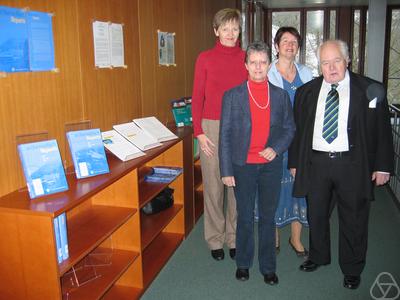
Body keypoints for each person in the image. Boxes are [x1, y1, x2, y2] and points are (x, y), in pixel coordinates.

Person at [288, 40, 394, 289]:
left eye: (336, 60)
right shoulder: (307, 92)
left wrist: (383, 166)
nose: (331, 67)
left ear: (348, 60)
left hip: (353, 164)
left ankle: (352, 267)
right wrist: (295, 162)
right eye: (325, 62)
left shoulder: (371, 89)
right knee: (316, 214)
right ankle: (318, 255)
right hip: (317, 163)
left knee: (354, 218)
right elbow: (298, 131)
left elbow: (382, 131)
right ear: (319, 65)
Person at [219, 41, 295, 284]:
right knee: (244, 216)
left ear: (269, 64)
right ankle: (243, 263)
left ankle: (268, 267)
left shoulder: (281, 96)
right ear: (246, 65)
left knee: (267, 216)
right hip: (243, 165)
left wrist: (276, 148)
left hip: (271, 166)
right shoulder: (232, 96)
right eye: (253, 62)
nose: (258, 67)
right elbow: (225, 135)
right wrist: (226, 170)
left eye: (263, 62)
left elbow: (289, 128)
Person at [192, 8, 247, 261]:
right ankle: (215, 239)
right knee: (214, 185)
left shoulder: (247, 58)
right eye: (225, 28)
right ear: (216, 31)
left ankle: (234, 237)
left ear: (239, 31)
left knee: (236, 184)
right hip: (211, 126)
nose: (230, 33)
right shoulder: (204, 58)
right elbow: (197, 97)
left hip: (238, 126)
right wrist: (199, 133)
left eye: (234, 28)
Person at [268, 27, 313, 256]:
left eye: (294, 41)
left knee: (300, 190)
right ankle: (274, 238)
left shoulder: (308, 74)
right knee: (274, 189)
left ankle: (295, 239)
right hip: (275, 143)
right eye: (285, 41)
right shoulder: (266, 73)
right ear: (276, 46)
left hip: (301, 143)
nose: (290, 45)